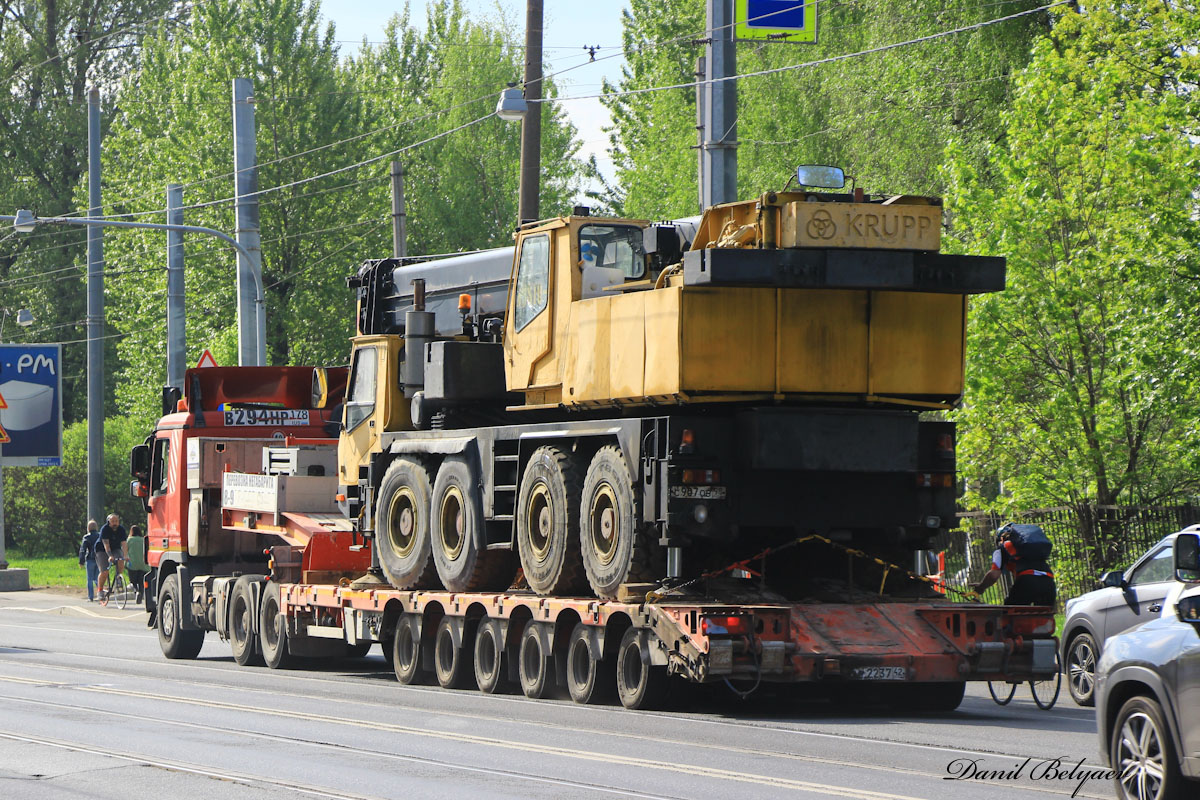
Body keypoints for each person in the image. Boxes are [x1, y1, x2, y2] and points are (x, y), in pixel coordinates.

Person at [973, 522, 1056, 606]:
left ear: (1001, 539)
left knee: (1010, 613)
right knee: (1044, 615)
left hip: (1027, 581)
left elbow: (994, 575)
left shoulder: (1003, 548)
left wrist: (981, 587)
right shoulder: (1033, 549)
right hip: (1049, 581)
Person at [96, 513, 128, 599]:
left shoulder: (121, 529)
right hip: (102, 550)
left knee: (121, 559)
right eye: (113, 521)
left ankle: (118, 578)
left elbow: (124, 544)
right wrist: (110, 556)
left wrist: (125, 555)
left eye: (116, 521)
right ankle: (100, 590)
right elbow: (106, 545)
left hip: (116, 548)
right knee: (104, 571)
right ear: (108, 522)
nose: (115, 523)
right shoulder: (105, 529)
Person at [77, 520, 101, 601]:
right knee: (98, 578)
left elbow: (83, 550)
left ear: (88, 528)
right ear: (96, 527)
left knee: (90, 579)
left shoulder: (86, 537)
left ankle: (91, 597)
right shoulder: (100, 536)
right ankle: (100, 594)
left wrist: (81, 561)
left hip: (90, 559)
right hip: (99, 559)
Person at [126, 524, 148, 604]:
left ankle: (136, 591)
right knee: (141, 581)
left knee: (133, 581)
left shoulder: (129, 540)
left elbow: (125, 550)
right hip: (143, 564)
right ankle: (141, 593)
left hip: (132, 564)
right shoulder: (143, 540)